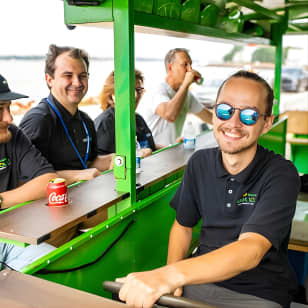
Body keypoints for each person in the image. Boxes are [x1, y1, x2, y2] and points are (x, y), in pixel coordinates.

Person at [117, 71, 300, 308]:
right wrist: (173, 281)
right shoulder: (199, 163)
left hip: (259, 293)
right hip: (198, 282)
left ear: (266, 124)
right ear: (214, 114)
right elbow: (183, 227)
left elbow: (251, 250)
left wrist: (169, 275)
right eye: (225, 110)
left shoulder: (281, 173)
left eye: (249, 115)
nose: (233, 123)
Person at [19, 44, 113, 183]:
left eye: (82, 76)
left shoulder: (86, 120)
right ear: (49, 80)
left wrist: (115, 159)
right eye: (68, 75)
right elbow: (23, 177)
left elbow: (87, 164)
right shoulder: (38, 120)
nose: (77, 82)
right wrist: (77, 176)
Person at [0, 74, 56, 271]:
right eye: (0, 109)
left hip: (10, 237)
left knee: (55, 263)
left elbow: (49, 180)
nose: (9, 118)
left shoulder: (13, 135)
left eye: (8, 107)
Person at [136, 48, 212, 146]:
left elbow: (211, 119)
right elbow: (170, 115)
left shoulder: (186, 95)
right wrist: (186, 84)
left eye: (190, 65)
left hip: (170, 154)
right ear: (170, 68)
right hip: (152, 156)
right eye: (185, 65)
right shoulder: (157, 90)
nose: (190, 70)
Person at [94, 70, 163, 156]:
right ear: (113, 94)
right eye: (129, 90)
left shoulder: (138, 119)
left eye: (138, 90)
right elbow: (99, 163)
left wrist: (174, 148)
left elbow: (150, 148)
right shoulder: (105, 123)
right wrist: (137, 155)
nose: (135, 95)